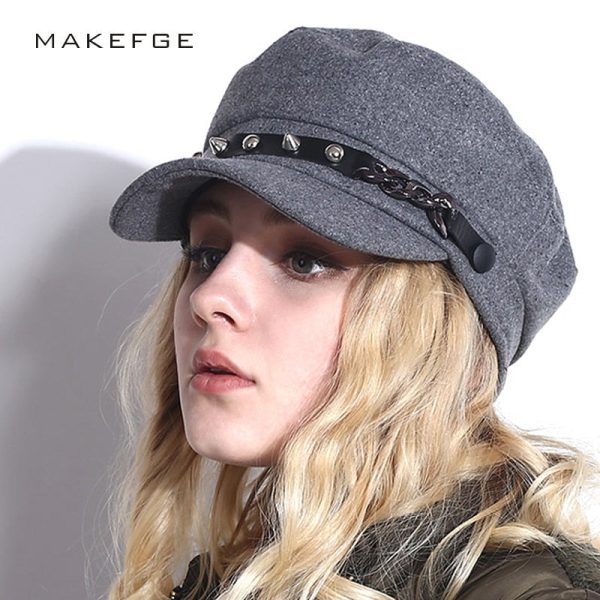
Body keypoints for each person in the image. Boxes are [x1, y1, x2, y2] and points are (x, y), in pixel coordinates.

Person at [106, 26, 600, 600]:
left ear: (440, 331)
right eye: (207, 253)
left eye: (305, 261)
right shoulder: (237, 579)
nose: (207, 297)